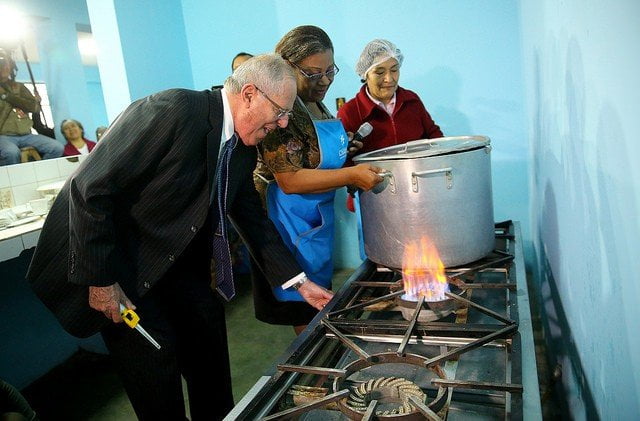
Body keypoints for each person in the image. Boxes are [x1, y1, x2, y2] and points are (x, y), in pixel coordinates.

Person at [26, 53, 333, 421]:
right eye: (280, 111)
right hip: (123, 269)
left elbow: (254, 220)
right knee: (158, 381)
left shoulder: (241, 149)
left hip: (181, 264)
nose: (283, 123)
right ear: (249, 94)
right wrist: (100, 280)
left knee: (212, 366)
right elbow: (90, 188)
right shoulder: (171, 111)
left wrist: (299, 284)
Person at [253, 26, 383, 335]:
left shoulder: (315, 101)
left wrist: (344, 148)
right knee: (303, 303)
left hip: (316, 220)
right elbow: (290, 179)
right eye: (313, 74)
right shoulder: (282, 108)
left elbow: (312, 153)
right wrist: (351, 174)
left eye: (330, 71)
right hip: (289, 222)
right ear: (287, 67)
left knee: (318, 295)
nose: (324, 80)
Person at [337, 39, 443, 160]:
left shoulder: (412, 101)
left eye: (394, 70)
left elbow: (434, 136)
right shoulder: (350, 112)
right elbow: (343, 161)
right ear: (365, 75)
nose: (389, 79)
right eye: (380, 72)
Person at [0, 48, 63, 166]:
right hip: (3, 136)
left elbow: (34, 107)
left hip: (26, 134)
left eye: (7, 63)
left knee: (56, 148)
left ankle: (39, 172)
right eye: (2, 64)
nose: (5, 67)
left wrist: (6, 96)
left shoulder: (19, 87)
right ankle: (14, 180)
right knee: (11, 153)